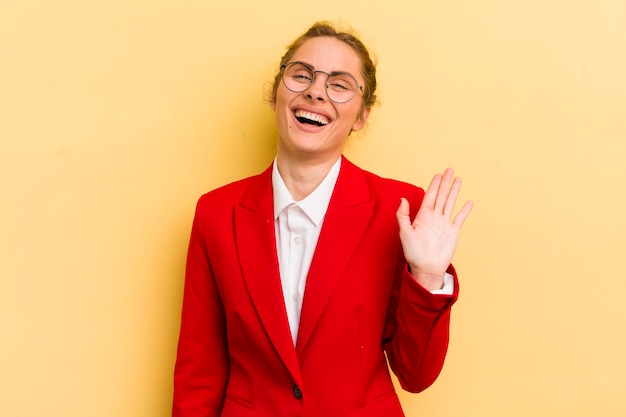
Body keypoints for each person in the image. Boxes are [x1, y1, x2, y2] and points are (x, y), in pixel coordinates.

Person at [172, 21, 473, 417]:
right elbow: (200, 370)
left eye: (340, 84)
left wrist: (428, 279)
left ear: (362, 116)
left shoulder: (400, 211)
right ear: (276, 93)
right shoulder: (216, 213)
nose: (315, 91)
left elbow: (416, 376)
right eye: (301, 75)